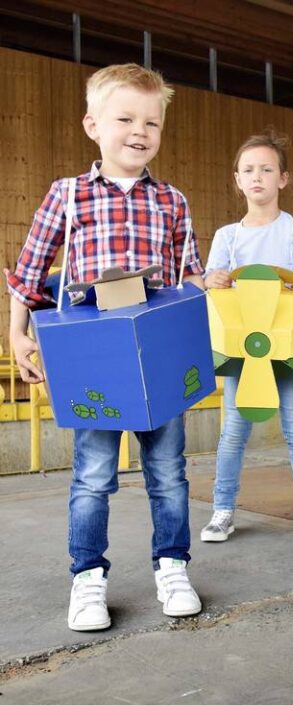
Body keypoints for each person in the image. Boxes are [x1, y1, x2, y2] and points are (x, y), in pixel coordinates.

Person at [5, 63, 205, 632]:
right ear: (93, 125)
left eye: (152, 122)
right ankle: (88, 578)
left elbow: (188, 276)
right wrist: (17, 333)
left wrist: (202, 307)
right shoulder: (67, 195)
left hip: (157, 359)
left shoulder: (172, 201)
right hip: (94, 358)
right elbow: (29, 271)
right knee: (93, 475)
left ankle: (173, 567)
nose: (139, 131)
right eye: (125, 119)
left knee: (168, 472)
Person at [200, 130, 293, 544]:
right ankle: (222, 511)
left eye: (266, 169)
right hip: (243, 349)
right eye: (248, 170)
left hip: (291, 345)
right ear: (237, 179)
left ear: (283, 178)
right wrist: (212, 279)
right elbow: (209, 281)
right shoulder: (228, 236)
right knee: (234, 431)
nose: (257, 176)